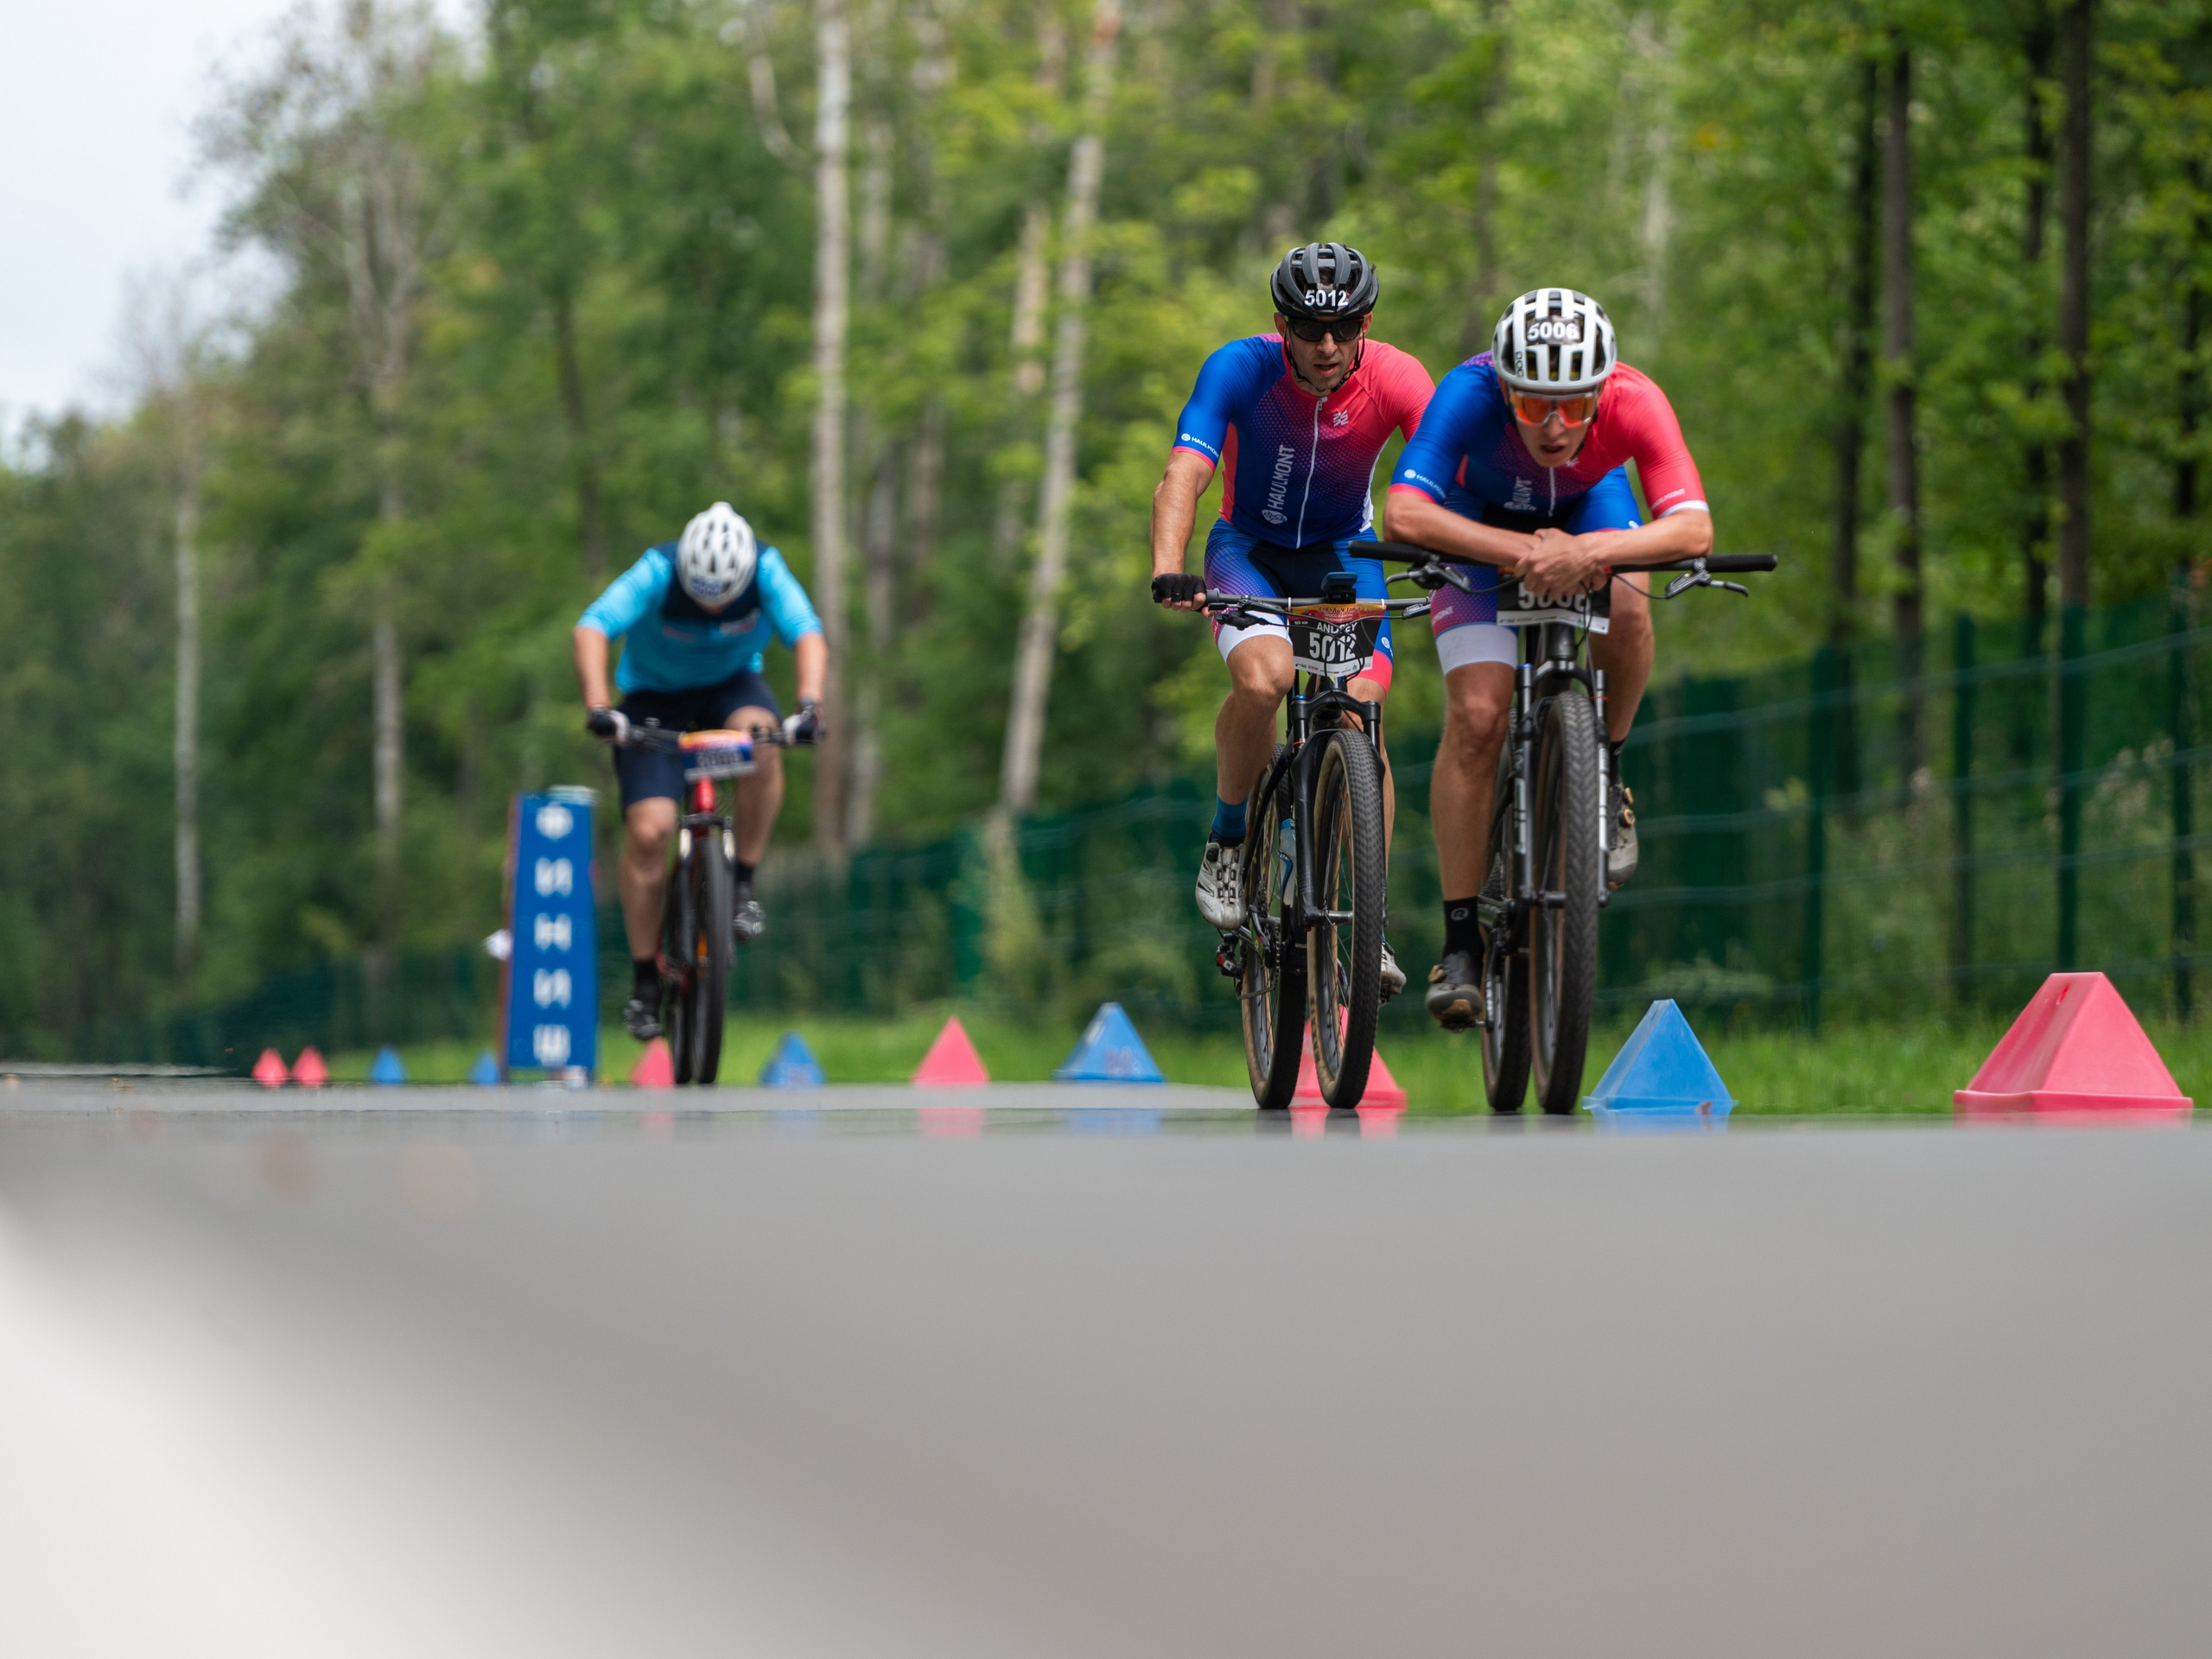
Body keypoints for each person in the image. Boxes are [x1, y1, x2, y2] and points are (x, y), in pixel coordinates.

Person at [1382, 288, 1712, 1029]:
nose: (1557, 425)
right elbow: (1401, 512)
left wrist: (1588, 551)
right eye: (1533, 406)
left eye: (1575, 403)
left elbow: (1692, 528)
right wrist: (1526, 553)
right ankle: (1461, 941)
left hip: (1587, 514)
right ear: (1504, 386)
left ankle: (1608, 768)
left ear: (1603, 387)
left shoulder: (1636, 399)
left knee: (1630, 604)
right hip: (1476, 527)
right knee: (1476, 716)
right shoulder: (1468, 392)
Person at [1147, 241, 1435, 999]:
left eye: (1345, 328)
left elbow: (1447, 469)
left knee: (1363, 709)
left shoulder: (1398, 377)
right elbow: (1184, 472)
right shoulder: (1241, 368)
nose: (1328, 346)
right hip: (1249, 551)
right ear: (1282, 324)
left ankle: (1364, 921)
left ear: (1367, 322)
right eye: (1309, 329)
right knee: (1267, 678)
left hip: (1344, 555)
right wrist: (1167, 564)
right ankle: (1228, 836)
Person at [573, 502, 827, 1040]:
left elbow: (806, 630)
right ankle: (646, 980)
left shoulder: (766, 570)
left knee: (763, 741)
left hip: (731, 689)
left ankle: (743, 884)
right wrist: (599, 707)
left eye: (725, 600)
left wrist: (810, 706)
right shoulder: (656, 572)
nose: (712, 610)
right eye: (701, 596)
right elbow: (593, 625)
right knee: (650, 832)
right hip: (652, 700)